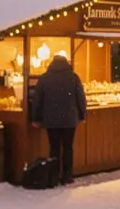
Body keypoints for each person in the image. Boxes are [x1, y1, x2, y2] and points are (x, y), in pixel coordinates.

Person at [30, 54, 86, 185]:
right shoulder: (73, 77)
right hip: (69, 120)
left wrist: (35, 118)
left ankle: (54, 176)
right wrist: (82, 114)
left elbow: (37, 100)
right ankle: (67, 176)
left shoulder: (44, 78)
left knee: (54, 147)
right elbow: (80, 97)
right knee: (68, 147)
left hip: (51, 119)